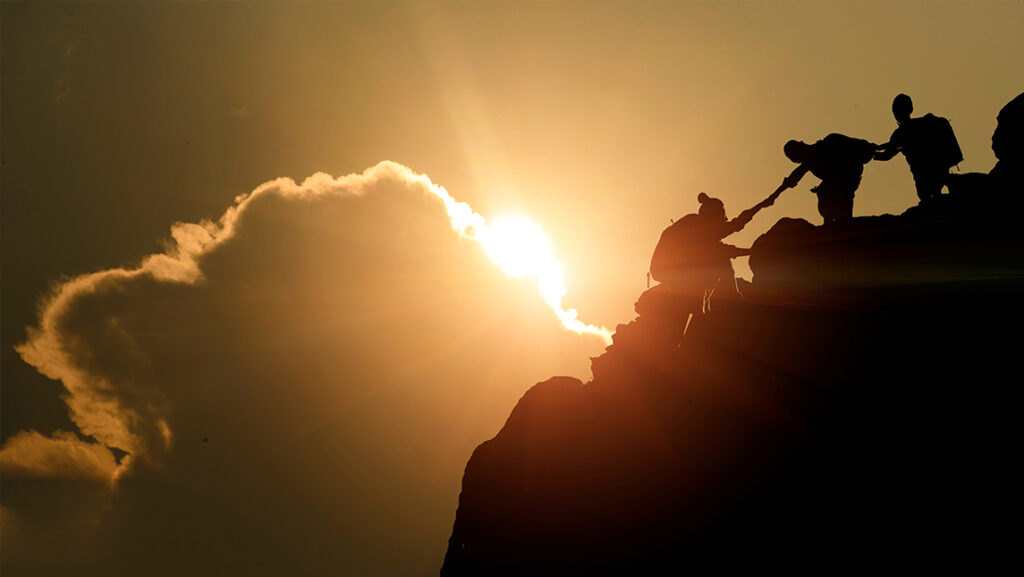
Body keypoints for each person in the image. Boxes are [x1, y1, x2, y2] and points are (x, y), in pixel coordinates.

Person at [647, 186, 783, 315]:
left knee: (711, 266)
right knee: (719, 263)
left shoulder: (695, 223)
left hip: (669, 269)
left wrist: (762, 204)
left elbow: (735, 227)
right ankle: (724, 300)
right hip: (671, 270)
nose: (723, 222)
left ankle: (704, 310)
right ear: (714, 216)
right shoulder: (699, 227)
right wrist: (754, 251)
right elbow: (724, 247)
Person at [874, 93, 963, 204]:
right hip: (937, 168)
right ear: (911, 109)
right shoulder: (921, 125)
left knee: (928, 197)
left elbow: (887, 155)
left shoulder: (900, 133)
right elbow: (891, 148)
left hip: (925, 174)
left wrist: (871, 154)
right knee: (934, 194)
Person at [782, 134, 877, 225]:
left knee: (828, 192)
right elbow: (793, 178)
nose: (800, 161)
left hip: (849, 173)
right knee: (825, 192)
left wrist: (870, 148)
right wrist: (773, 196)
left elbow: (857, 144)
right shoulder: (809, 162)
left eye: (798, 157)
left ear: (801, 147)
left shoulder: (830, 141)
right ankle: (833, 221)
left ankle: (842, 221)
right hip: (841, 179)